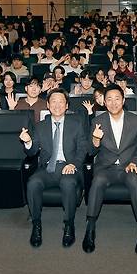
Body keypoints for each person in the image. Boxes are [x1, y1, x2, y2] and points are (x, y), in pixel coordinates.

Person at [84, 85, 137, 254]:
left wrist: (135, 161)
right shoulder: (98, 121)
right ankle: (90, 228)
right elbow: (91, 151)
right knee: (97, 181)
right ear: (104, 102)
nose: (113, 103)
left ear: (124, 100)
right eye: (109, 99)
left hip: (129, 166)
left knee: (135, 181)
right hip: (106, 168)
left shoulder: (135, 120)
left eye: (117, 99)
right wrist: (96, 140)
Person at [19, 88, 87, 248]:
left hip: (69, 166)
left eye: (61, 101)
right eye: (53, 102)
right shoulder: (40, 126)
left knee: (68, 183)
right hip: (48, 168)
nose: (57, 105)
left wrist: (74, 164)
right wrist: (28, 142)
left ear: (66, 105)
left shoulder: (76, 124)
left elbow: (83, 148)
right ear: (48, 105)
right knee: (33, 183)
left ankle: (69, 224)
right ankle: (36, 224)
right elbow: (32, 151)